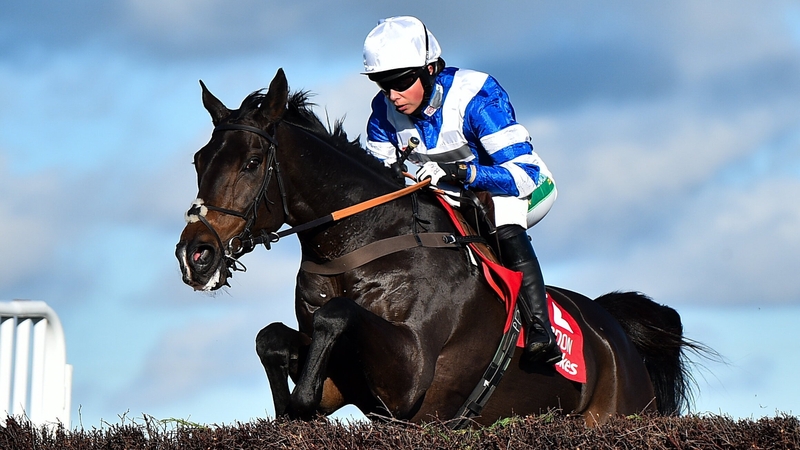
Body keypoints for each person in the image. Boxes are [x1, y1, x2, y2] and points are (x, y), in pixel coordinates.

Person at [361, 16, 561, 365]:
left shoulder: (477, 97)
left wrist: (462, 173)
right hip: (448, 196)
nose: (393, 96)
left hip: (519, 190)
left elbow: (523, 174)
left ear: (431, 68)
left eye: (403, 82)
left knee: (501, 220)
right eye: (383, 84)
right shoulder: (382, 115)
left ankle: (540, 330)